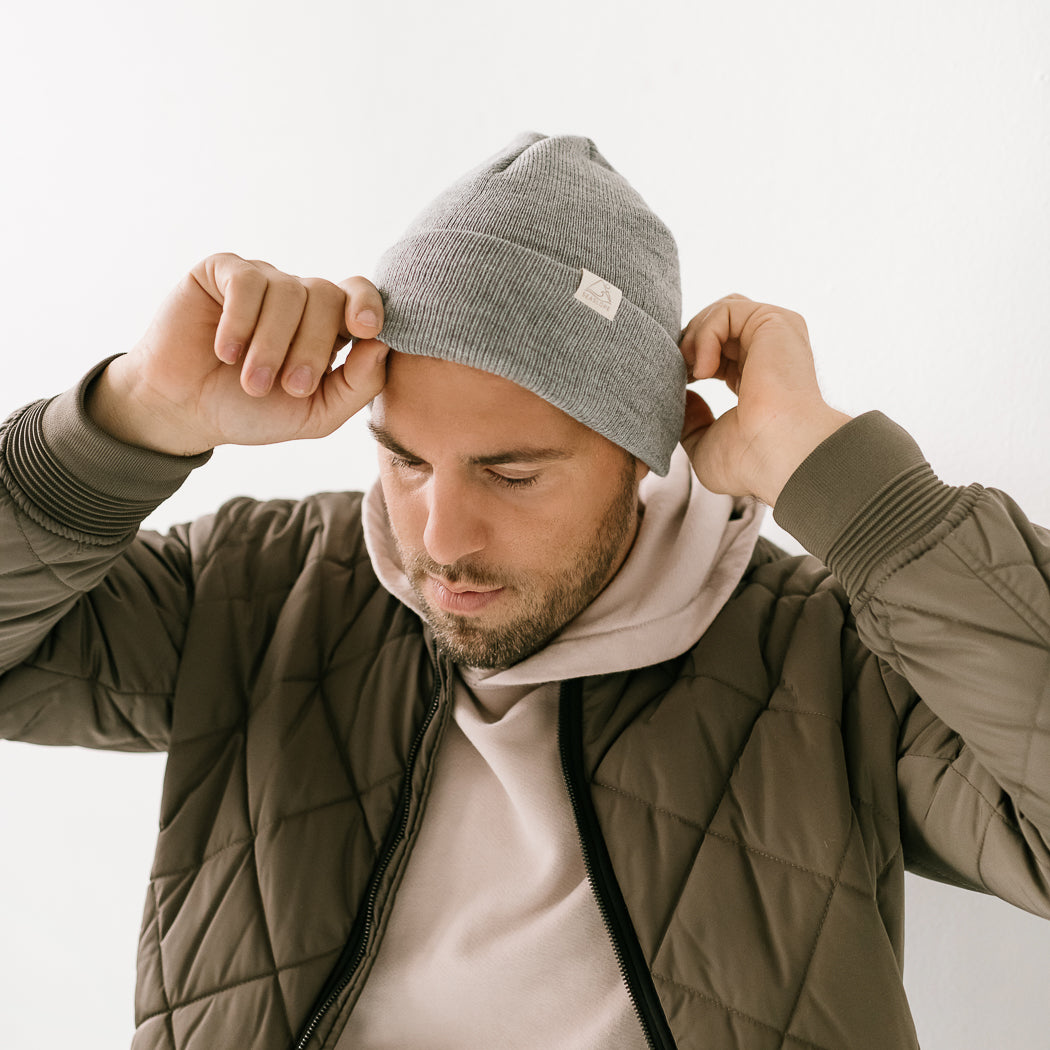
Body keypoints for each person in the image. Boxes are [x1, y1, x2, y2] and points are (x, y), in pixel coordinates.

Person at [0, 132, 1047, 1050]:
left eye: (511, 474)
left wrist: (843, 481)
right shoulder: (253, 589)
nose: (440, 540)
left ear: (647, 450)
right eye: (406, 462)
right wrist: (126, 423)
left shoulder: (828, 659)